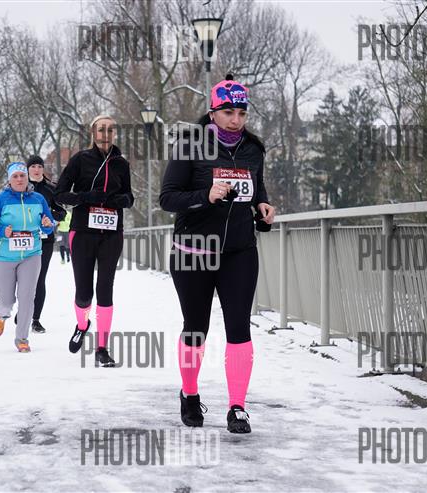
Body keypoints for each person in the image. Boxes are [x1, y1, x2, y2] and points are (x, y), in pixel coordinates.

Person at [159, 75, 276, 433]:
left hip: (239, 251)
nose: (236, 120)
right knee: (196, 327)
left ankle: (237, 407)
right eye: (228, 112)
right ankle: (190, 394)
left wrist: (263, 206)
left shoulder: (253, 149)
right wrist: (204, 196)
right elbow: (167, 198)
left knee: (239, 326)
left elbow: (257, 189)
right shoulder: (190, 146)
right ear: (212, 112)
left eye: (242, 113)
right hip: (193, 250)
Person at [54, 115, 134, 367]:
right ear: (93, 132)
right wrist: (87, 197)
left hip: (111, 233)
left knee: (105, 289)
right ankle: (82, 325)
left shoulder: (121, 164)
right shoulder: (80, 160)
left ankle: (102, 348)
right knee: (84, 293)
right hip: (83, 232)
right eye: (101, 129)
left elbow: (129, 197)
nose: (106, 134)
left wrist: (119, 200)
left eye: (110, 129)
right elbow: (59, 195)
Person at [0, 162, 56, 352]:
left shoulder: (38, 199)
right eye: (15, 176)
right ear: (9, 180)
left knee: (27, 297)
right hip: (4, 256)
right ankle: (1, 314)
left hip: (31, 254)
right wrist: (1, 232)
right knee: (6, 300)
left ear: (27, 178)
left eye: (22, 176)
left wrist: (48, 225)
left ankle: (22, 339)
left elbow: (48, 224)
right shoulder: (0, 200)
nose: (20, 179)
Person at [21, 155, 67, 333]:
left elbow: (62, 213)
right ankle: (23, 311)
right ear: (28, 169)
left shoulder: (51, 188)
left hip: (44, 240)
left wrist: (48, 215)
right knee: (23, 279)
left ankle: (35, 319)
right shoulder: (20, 187)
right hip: (23, 239)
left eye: (39, 166)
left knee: (39, 278)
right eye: (33, 166)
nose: (36, 169)